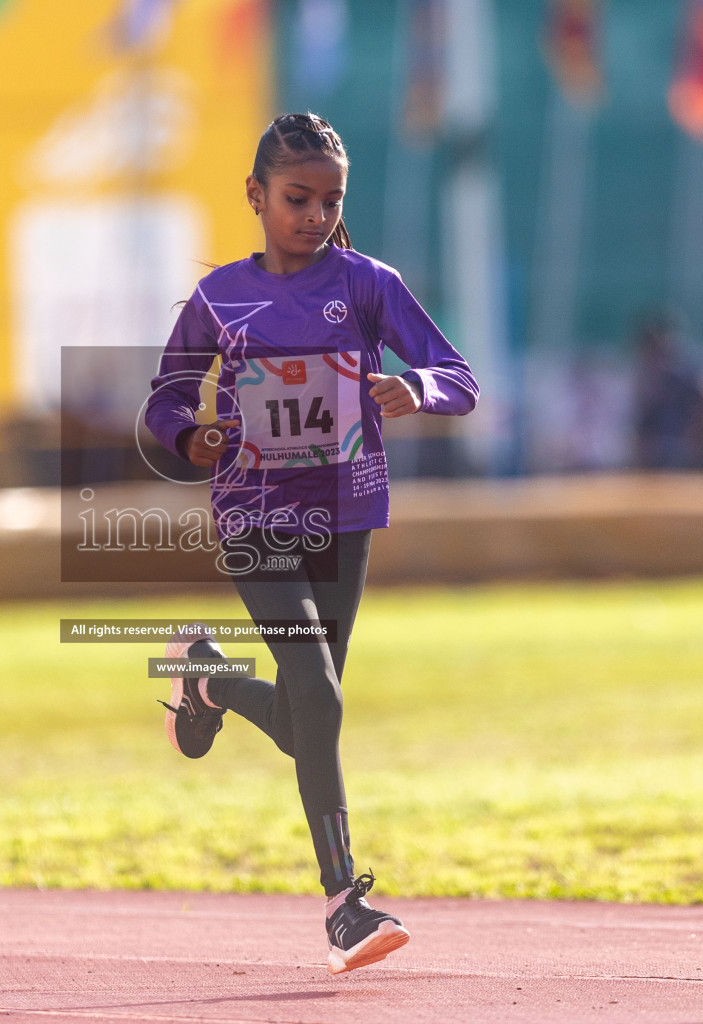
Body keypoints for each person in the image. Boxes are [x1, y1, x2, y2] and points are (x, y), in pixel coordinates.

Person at [145, 112, 478, 974]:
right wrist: (195, 439)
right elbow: (164, 405)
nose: (315, 216)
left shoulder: (368, 284)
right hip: (255, 519)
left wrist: (416, 389)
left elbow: (459, 376)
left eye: (331, 201)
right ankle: (344, 905)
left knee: (305, 717)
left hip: (346, 515)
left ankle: (207, 677)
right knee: (318, 695)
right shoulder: (220, 296)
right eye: (297, 199)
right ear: (255, 196)